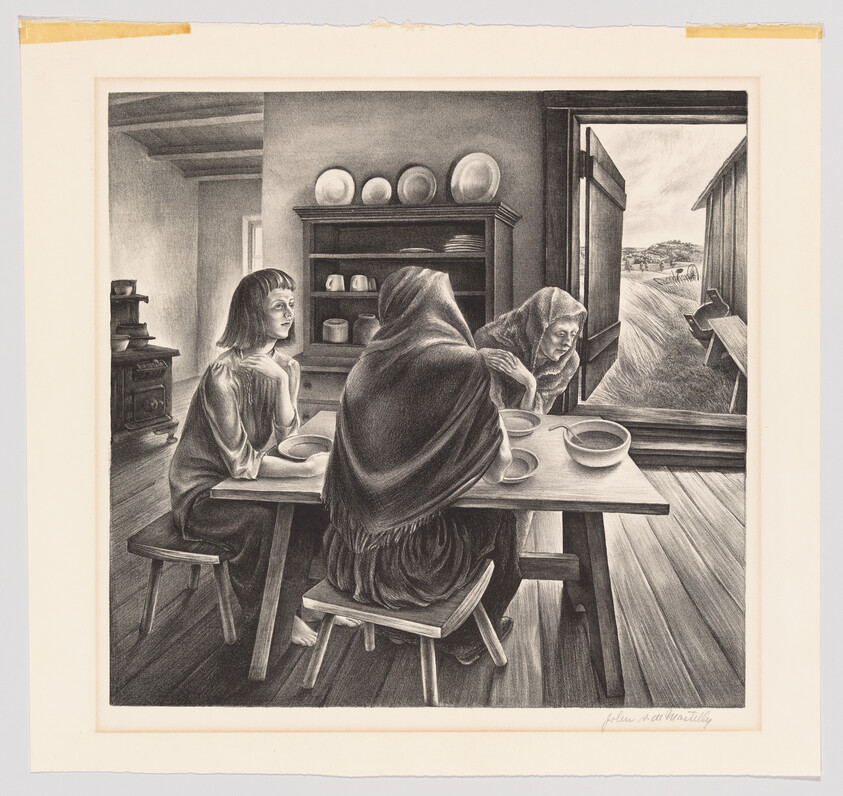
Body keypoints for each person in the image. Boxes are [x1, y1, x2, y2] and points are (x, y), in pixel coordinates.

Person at [321, 266, 522, 665]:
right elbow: (499, 470)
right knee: (502, 514)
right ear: (442, 307)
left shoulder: (364, 367)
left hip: (352, 561)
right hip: (422, 568)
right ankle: (466, 640)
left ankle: (397, 629)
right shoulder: (465, 365)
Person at [169, 268, 330, 647]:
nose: (289, 314)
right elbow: (241, 465)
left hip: (241, 482)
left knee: (309, 512)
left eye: (291, 305)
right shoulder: (221, 377)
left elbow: (290, 439)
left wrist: (278, 383)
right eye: (278, 306)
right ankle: (278, 617)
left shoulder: (286, 366)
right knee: (262, 522)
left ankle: (305, 601)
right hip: (205, 493)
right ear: (253, 313)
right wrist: (305, 469)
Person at [474, 287, 587, 415]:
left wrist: (530, 384)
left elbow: (534, 416)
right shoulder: (493, 339)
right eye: (560, 334)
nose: (568, 343)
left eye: (573, 334)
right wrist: (479, 356)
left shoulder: (569, 361)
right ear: (538, 330)